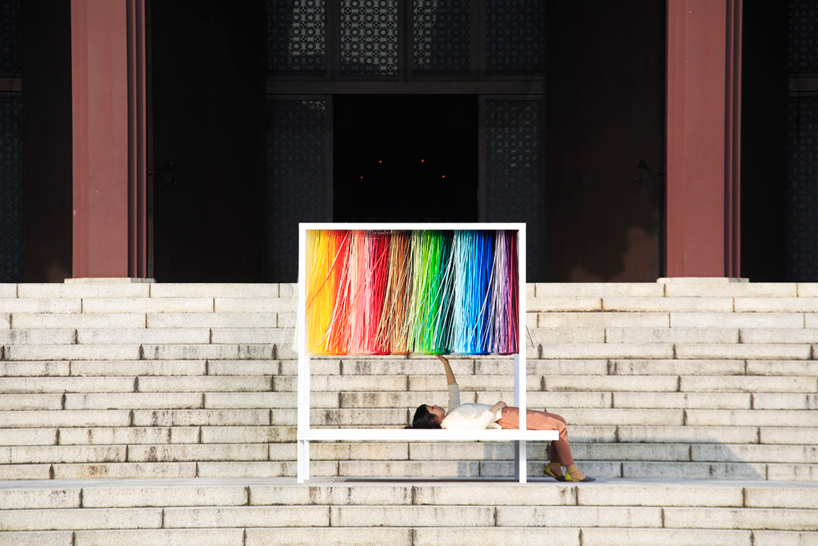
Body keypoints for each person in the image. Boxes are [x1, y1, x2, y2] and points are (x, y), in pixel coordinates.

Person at [411, 354, 595, 482]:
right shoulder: (451, 422)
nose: (436, 405)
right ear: (433, 419)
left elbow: (453, 388)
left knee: (559, 420)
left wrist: (445, 363)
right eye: (432, 408)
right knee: (557, 425)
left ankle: (554, 466)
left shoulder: (451, 415)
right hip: (504, 418)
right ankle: (571, 470)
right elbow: (478, 425)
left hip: (505, 414)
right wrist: (496, 407)